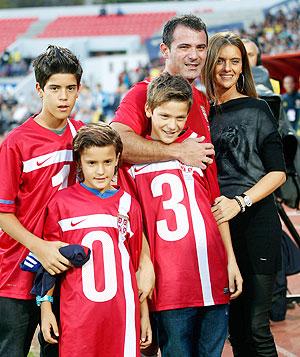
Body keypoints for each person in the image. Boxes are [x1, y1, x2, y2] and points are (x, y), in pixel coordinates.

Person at [118, 73, 242, 357]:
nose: (172, 126)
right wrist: (145, 267)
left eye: (180, 117)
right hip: (170, 282)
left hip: (212, 273)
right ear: (148, 110)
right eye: (164, 116)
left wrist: (231, 261)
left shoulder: (198, 149)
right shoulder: (133, 165)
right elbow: (136, 225)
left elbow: (217, 207)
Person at [202, 32, 286, 357]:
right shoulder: (200, 112)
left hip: (256, 224)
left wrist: (241, 202)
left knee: (256, 327)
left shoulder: (258, 108)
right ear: (210, 63)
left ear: (244, 66)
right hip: (219, 229)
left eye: (234, 61)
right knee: (235, 330)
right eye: (220, 60)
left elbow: (278, 172)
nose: (227, 68)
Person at [0, 45, 83, 357]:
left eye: (70, 88)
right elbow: (3, 214)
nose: (63, 97)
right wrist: (41, 247)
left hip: (63, 270)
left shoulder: (82, 135)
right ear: (39, 89)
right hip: (16, 272)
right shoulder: (16, 143)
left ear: (79, 89)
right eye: (55, 89)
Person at [40, 123, 151, 356]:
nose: (100, 171)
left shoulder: (128, 204)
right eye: (92, 163)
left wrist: (144, 314)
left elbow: (135, 266)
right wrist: (46, 308)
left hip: (122, 312)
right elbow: (50, 263)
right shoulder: (61, 203)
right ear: (79, 162)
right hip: (78, 314)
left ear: (117, 159)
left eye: (107, 162)